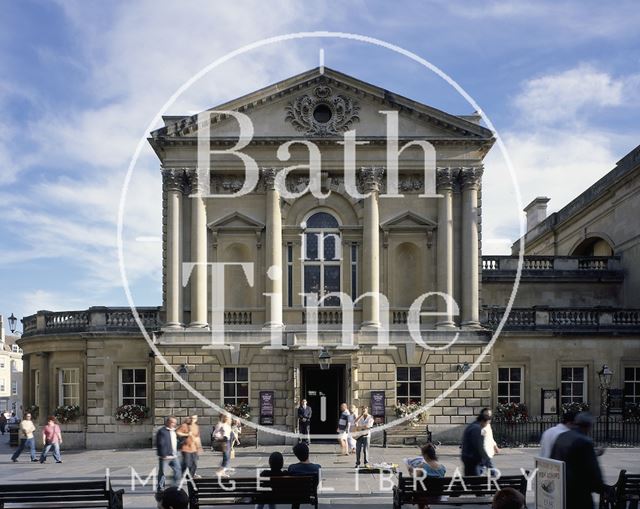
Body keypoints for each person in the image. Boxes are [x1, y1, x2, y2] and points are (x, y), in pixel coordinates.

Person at [551, 412, 604, 509]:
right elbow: (592, 469)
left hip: (561, 490)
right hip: (579, 493)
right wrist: (601, 488)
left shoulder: (561, 436)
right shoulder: (584, 441)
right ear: (589, 426)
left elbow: (552, 460)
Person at [288, 442, 321, 509]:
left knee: (296, 493)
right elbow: (317, 483)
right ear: (308, 452)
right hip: (310, 495)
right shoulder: (317, 468)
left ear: (297, 455)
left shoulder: (292, 468)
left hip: (295, 496)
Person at [460, 410, 491, 476]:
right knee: (475, 481)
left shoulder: (471, 426)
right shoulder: (477, 429)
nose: (486, 426)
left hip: (467, 458)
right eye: (487, 423)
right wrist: (488, 462)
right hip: (473, 460)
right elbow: (479, 447)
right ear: (483, 421)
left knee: (469, 480)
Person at [156, 416, 182, 493]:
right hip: (165, 456)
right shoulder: (162, 431)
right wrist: (163, 454)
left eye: (175, 423)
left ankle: (174, 486)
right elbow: (160, 443)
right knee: (162, 472)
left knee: (178, 471)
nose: (174, 424)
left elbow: (176, 441)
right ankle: (160, 488)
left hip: (174, 455)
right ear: (167, 422)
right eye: (172, 422)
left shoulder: (174, 431)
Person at [480, 408, 499, 473]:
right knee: (489, 469)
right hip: (484, 452)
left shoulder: (488, 425)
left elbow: (490, 437)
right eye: (487, 416)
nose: (489, 418)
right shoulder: (482, 426)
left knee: (483, 468)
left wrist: (495, 446)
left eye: (490, 416)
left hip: (488, 452)